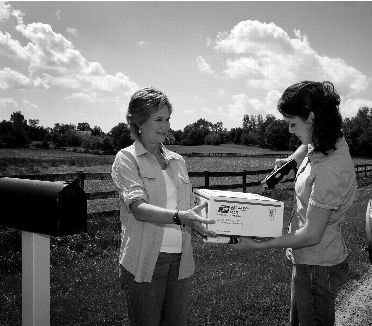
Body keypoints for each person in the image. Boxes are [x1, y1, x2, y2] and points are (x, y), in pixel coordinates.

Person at [233, 81, 357, 326]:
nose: (289, 130)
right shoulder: (327, 140)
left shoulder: (330, 168)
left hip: (316, 267)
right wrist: (290, 162)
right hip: (308, 261)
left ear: (311, 118)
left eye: (293, 123)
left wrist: (257, 245)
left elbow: (311, 234)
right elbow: (306, 145)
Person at [111, 87, 216, 326]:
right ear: (139, 122)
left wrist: (204, 222)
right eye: (158, 119)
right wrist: (181, 217)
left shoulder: (178, 161)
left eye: (168, 119)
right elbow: (137, 207)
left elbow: (188, 206)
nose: (166, 125)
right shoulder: (126, 159)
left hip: (181, 262)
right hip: (145, 260)